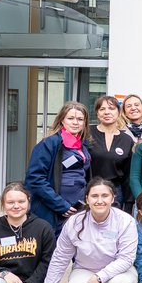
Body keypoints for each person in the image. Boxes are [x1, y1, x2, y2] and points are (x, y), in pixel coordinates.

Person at [33, 179, 138, 283]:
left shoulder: (125, 221)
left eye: (105, 195)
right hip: (85, 268)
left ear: (113, 198)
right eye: (94, 196)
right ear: (87, 199)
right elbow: (60, 258)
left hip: (119, 270)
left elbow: (126, 259)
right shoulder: (74, 223)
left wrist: (99, 277)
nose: (100, 200)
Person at [25, 101, 92, 235]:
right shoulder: (48, 144)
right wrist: (60, 205)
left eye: (80, 119)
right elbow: (34, 179)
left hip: (78, 209)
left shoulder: (83, 145)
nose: (75, 122)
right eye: (70, 118)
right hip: (55, 210)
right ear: (62, 120)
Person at [87, 96, 135, 209]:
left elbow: (128, 175)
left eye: (111, 108)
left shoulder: (127, 140)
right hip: (90, 189)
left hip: (115, 192)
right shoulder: (87, 134)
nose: (107, 112)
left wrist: (128, 204)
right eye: (102, 109)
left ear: (119, 112)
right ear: (97, 114)